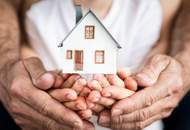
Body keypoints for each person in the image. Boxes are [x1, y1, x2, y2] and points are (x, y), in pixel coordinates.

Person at [0, 0, 189, 130]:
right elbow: (29, 59)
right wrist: (49, 85)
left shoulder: (148, 10)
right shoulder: (39, 15)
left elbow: (157, 53)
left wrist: (134, 84)